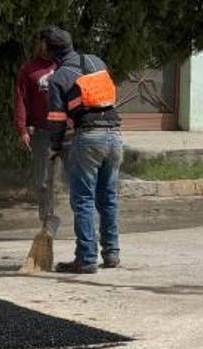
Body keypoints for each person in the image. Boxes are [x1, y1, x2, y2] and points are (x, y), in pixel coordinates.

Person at [43, 27, 124, 273]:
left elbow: (57, 118)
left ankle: (86, 258)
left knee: (83, 200)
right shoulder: (95, 61)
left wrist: (54, 146)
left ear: (51, 51)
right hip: (114, 135)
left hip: (88, 138)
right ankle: (111, 254)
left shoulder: (58, 78)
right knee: (108, 198)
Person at [13, 29, 60, 237]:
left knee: (62, 180)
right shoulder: (28, 70)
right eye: (45, 43)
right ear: (39, 44)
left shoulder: (63, 66)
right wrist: (22, 129)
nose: (48, 47)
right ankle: (47, 222)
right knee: (42, 180)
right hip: (41, 133)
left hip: (65, 132)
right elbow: (20, 100)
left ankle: (72, 220)